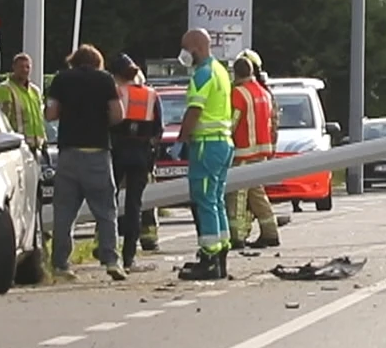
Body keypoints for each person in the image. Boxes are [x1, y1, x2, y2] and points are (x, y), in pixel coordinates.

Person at [46, 44, 126, 281]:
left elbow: (50, 113)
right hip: (97, 152)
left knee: (64, 212)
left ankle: (61, 264)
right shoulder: (105, 80)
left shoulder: (61, 79)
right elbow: (118, 114)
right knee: (105, 210)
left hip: (69, 153)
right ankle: (111, 260)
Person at [176, 29, 236, 280]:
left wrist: (182, 138)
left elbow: (194, 110)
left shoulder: (203, 74)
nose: (183, 54)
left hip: (206, 144)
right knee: (216, 200)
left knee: (204, 200)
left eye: (185, 48)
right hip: (223, 144)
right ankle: (220, 255)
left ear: (196, 49)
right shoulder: (221, 71)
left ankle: (209, 259)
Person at [108, 54, 164, 271]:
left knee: (109, 202)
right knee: (134, 204)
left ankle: (109, 251)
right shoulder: (151, 94)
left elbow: (108, 121)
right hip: (141, 152)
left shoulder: (116, 92)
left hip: (117, 150)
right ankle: (129, 256)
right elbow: (158, 129)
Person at [228, 55, 282, 248]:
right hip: (262, 151)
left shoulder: (238, 93)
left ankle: (237, 236)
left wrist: (225, 139)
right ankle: (270, 232)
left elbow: (233, 123)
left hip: (244, 151)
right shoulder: (264, 93)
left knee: (237, 194)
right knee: (257, 193)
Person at [0, 53, 46, 154]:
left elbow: (39, 119)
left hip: (36, 147)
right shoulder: (5, 89)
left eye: (27, 67)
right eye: (21, 67)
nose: (25, 70)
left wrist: (44, 143)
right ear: (14, 67)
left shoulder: (35, 91)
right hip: (16, 147)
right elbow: (2, 119)